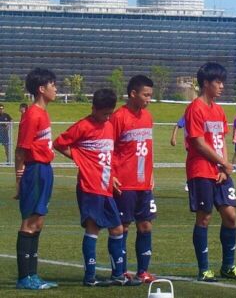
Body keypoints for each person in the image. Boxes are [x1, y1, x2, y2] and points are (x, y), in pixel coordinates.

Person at [53, 89, 141, 287]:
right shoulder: (84, 126)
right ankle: (90, 277)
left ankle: (118, 275)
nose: (107, 117)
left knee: (117, 228)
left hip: (105, 186)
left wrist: (112, 177)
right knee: (94, 228)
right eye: (104, 114)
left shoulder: (109, 126)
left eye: (110, 113)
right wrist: (80, 158)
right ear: (94, 109)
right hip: (89, 186)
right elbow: (58, 143)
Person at [184, 62, 236, 282]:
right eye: (218, 82)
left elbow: (221, 141)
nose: (221, 86)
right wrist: (223, 163)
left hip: (219, 171)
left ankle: (228, 266)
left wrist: (224, 166)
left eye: (222, 82)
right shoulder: (195, 109)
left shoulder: (218, 110)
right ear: (205, 83)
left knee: (231, 215)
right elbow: (199, 143)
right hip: (201, 170)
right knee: (205, 217)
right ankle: (204, 269)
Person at [14, 68, 59, 290]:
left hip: (45, 169)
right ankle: (25, 277)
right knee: (29, 221)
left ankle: (33, 275)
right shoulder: (32, 114)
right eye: (53, 85)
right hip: (35, 170)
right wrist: (19, 179)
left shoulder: (44, 112)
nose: (56, 88)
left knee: (38, 221)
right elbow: (21, 149)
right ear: (42, 89)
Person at [111, 75, 157, 283]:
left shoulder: (147, 117)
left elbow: (148, 149)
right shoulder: (119, 117)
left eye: (150, 95)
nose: (149, 99)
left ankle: (142, 272)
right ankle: (120, 271)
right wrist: (111, 175)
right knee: (123, 226)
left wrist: (152, 174)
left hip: (144, 183)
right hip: (125, 182)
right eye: (146, 95)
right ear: (133, 94)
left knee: (146, 225)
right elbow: (108, 147)